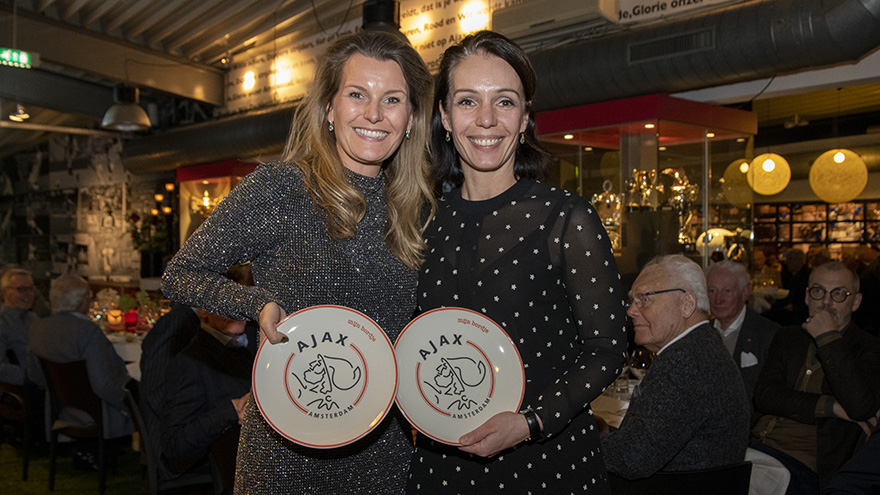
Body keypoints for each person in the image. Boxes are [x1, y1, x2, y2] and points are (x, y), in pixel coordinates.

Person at [162, 30, 435, 494]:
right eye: (357, 94)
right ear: (328, 108)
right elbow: (180, 274)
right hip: (286, 452)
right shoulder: (282, 188)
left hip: (383, 451)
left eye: (392, 99)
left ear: (410, 118)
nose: (374, 113)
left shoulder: (417, 208)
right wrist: (256, 303)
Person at [405, 31, 627, 494]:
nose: (486, 119)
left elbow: (607, 349)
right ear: (444, 116)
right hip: (441, 464)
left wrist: (531, 422)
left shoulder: (567, 218)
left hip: (546, 461)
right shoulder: (419, 222)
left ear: (525, 118)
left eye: (504, 102)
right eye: (468, 101)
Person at [599, 254, 750, 479]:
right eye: (632, 300)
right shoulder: (701, 347)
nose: (631, 311)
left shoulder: (686, 362)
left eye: (644, 299)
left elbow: (631, 459)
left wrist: (581, 440)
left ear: (687, 304)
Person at [751, 261, 880, 494]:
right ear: (807, 297)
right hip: (758, 446)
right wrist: (832, 406)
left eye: (839, 294)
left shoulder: (869, 348)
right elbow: (765, 395)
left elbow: (860, 407)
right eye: (818, 291)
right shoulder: (788, 337)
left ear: (856, 302)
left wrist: (827, 337)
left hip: (806, 465)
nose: (826, 302)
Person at [28, 274, 135, 462]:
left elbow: (35, 375)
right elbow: (104, 385)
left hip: (60, 408)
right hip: (96, 412)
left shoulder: (38, 328)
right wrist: (130, 405)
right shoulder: (87, 331)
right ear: (83, 300)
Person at [158, 305, 256, 478]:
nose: (236, 310)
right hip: (236, 470)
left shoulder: (254, 340)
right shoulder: (191, 362)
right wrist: (233, 409)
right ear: (203, 311)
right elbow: (174, 444)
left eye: (242, 301)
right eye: (227, 303)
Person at [705, 260, 779, 423]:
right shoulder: (701, 334)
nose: (718, 299)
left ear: (745, 292)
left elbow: (770, 397)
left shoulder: (768, 334)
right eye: (712, 290)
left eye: (727, 291)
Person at [0, 268, 37, 385]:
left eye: (30, 289)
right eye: (21, 289)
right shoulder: (3, 323)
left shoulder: (33, 318)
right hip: (25, 388)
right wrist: (30, 377)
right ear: (5, 292)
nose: (28, 294)